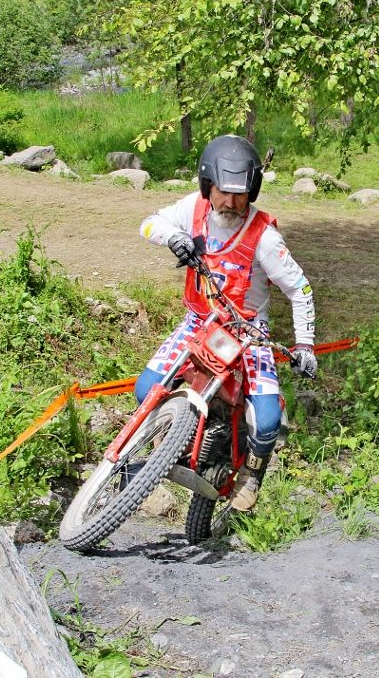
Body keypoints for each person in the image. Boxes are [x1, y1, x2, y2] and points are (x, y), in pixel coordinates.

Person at [136, 135, 318, 511]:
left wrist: (305, 346)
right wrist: (173, 237)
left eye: (240, 195)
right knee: (145, 391)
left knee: (267, 420)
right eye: (223, 192)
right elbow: (148, 225)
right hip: (199, 320)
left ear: (252, 191)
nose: (230, 203)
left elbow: (300, 290)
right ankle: (170, 444)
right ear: (208, 185)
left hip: (249, 333)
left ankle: (253, 473)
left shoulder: (264, 237)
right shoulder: (193, 208)